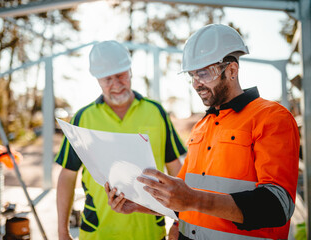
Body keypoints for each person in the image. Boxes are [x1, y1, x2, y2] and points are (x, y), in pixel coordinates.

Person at [106, 24, 300, 240]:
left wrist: (193, 200)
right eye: (192, 75)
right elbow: (180, 199)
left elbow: (277, 206)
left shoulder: (272, 117)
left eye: (203, 73)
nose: (196, 84)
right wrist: (139, 204)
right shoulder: (202, 126)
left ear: (232, 71)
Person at [55, 40, 186, 240]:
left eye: (121, 75)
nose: (116, 84)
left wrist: (180, 222)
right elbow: (67, 176)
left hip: (150, 232)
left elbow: (176, 168)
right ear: (97, 80)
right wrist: (63, 232)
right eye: (107, 79)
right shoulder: (83, 118)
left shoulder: (156, 112)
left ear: (130, 71)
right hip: (98, 233)